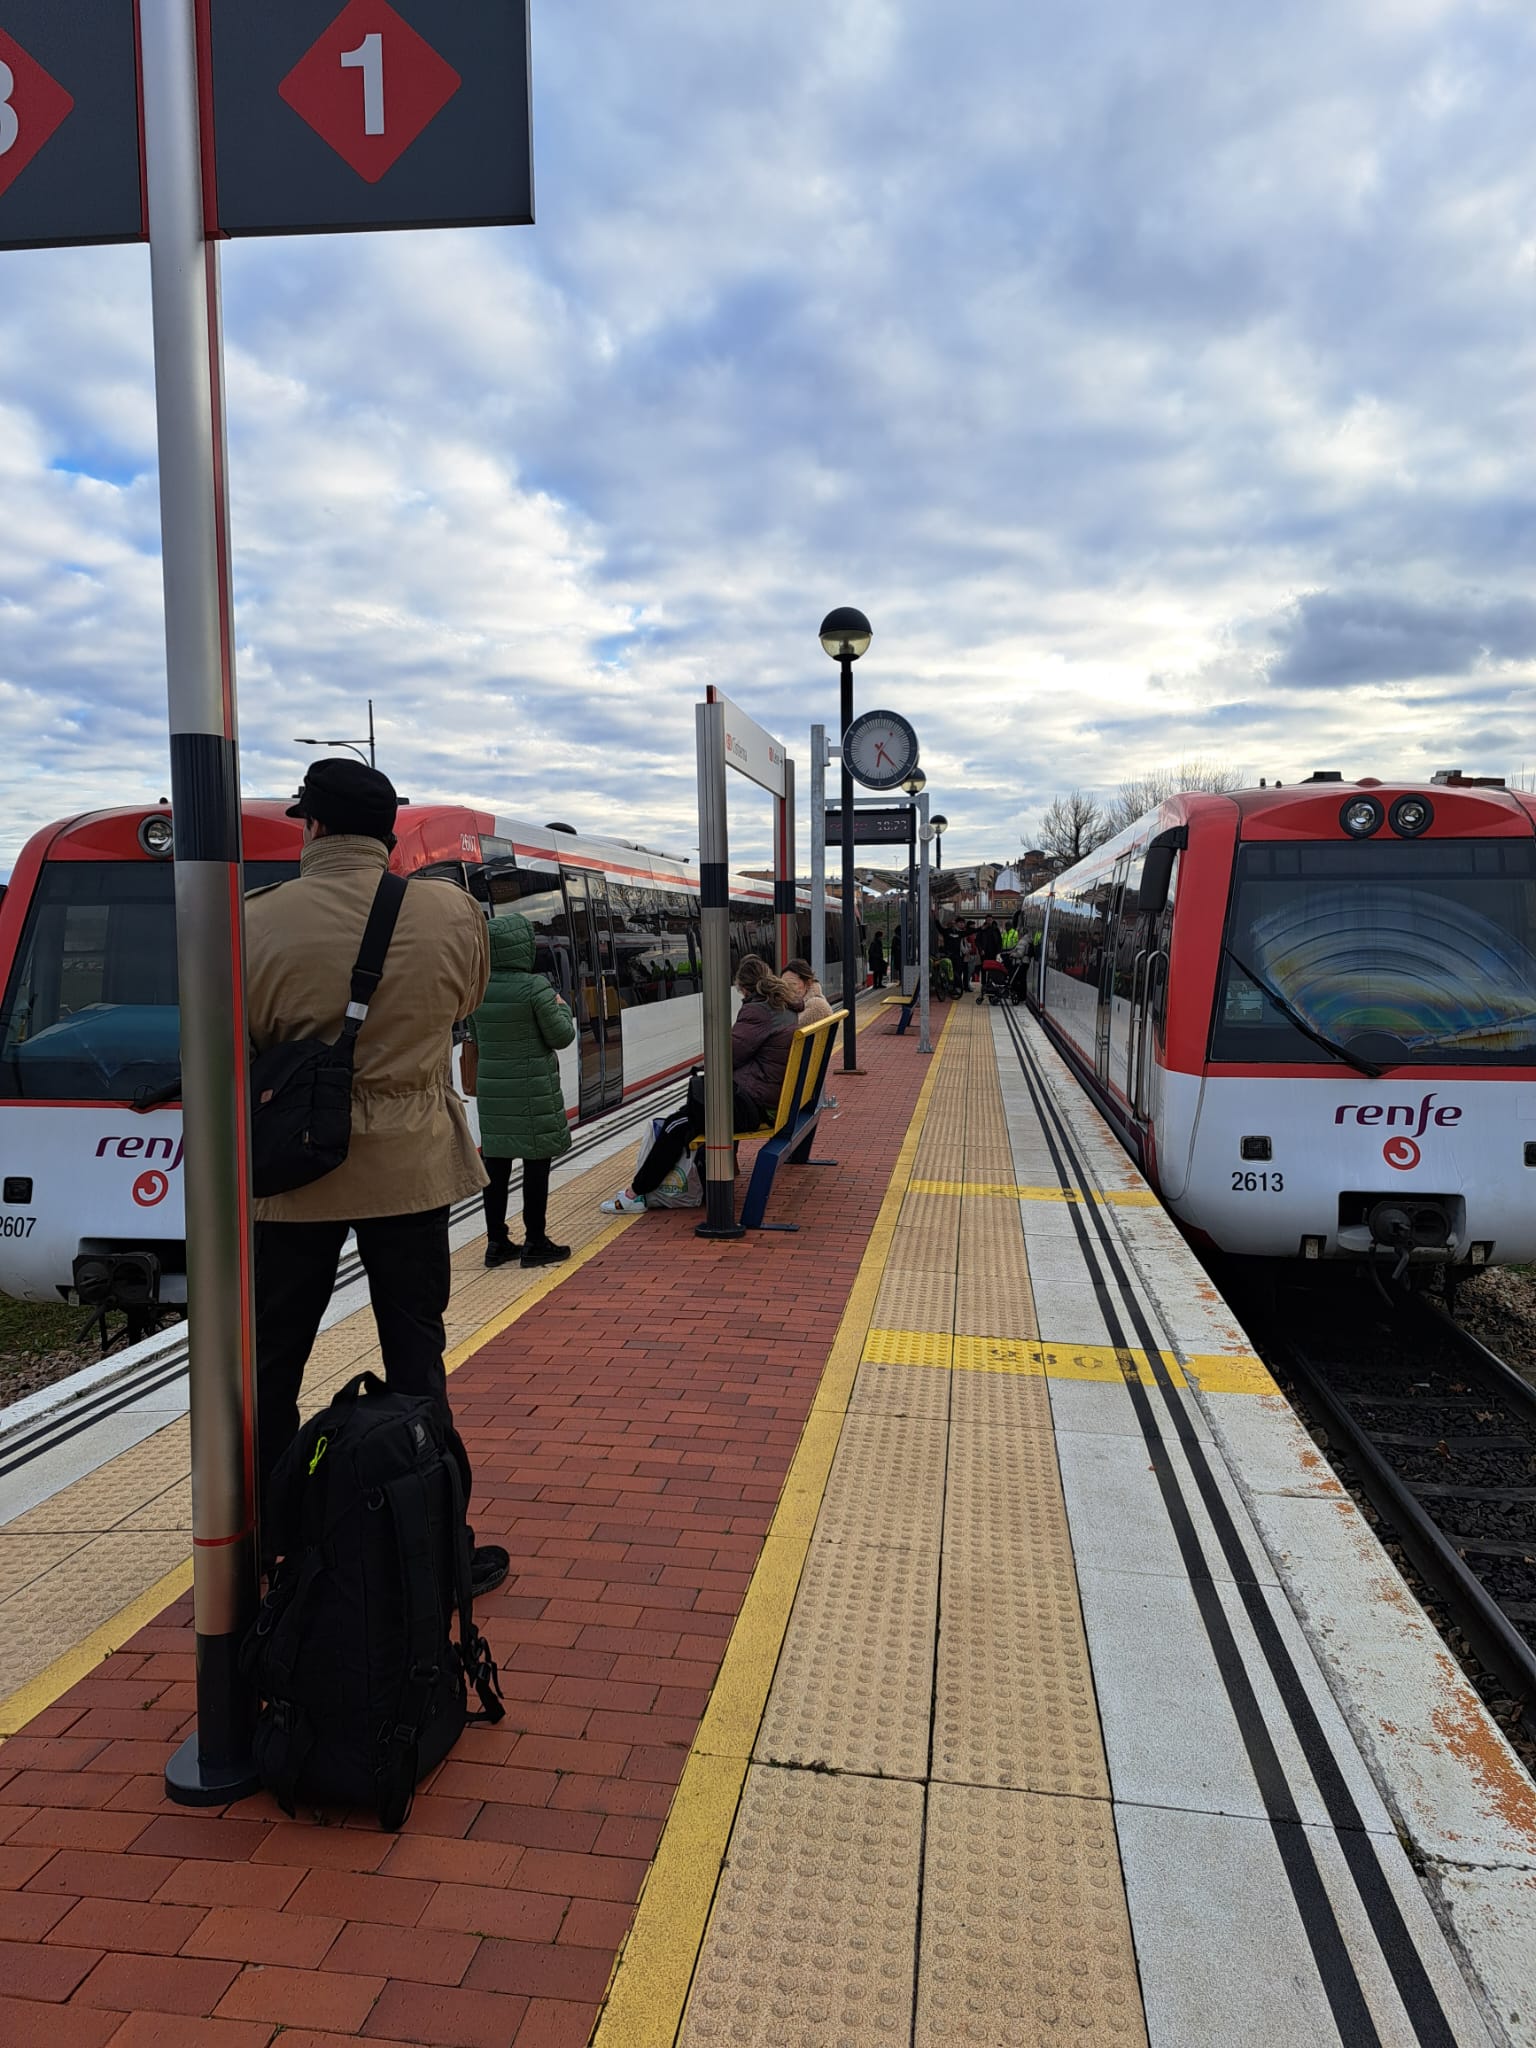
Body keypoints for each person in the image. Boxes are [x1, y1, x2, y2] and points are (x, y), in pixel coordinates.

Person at [246, 759, 507, 1594]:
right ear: (389, 832)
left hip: (292, 1175)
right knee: (417, 1359)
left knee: (271, 1366)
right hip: (411, 1170)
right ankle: (437, 1548)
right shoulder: (451, 912)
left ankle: (269, 1547)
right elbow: (465, 1001)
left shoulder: (253, 921)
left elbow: (236, 1035)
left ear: (311, 827)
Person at [601, 957, 797, 1213]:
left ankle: (634, 1194)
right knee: (690, 1112)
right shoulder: (784, 1008)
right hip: (768, 1098)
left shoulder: (757, 1012)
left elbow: (724, 1057)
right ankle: (658, 1186)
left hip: (753, 1105)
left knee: (676, 1124)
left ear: (744, 988)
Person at [465, 911, 577, 1270]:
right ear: (521, 949)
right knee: (535, 1165)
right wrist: (563, 1008)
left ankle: (496, 1242)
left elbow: (479, 1039)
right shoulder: (535, 988)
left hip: (494, 1094)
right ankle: (535, 1241)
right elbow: (561, 1036)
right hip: (532, 1091)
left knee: (495, 1168)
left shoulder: (477, 990)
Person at [782, 957, 833, 1024]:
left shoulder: (816, 1006)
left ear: (808, 983)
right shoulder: (800, 1004)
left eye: (792, 984)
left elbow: (791, 1031)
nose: (786, 990)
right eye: (782, 985)